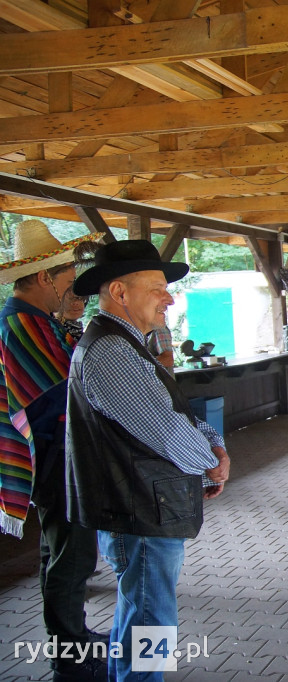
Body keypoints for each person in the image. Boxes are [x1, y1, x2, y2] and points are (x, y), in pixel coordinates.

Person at [64, 239, 230, 682]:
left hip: (141, 507)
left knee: (138, 612)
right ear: (120, 292)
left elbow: (172, 413)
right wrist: (211, 460)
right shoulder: (112, 352)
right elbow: (166, 428)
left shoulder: (124, 344)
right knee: (150, 621)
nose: (169, 297)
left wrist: (212, 443)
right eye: (158, 287)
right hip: (138, 509)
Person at [0, 220, 105, 682]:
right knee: (73, 554)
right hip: (55, 456)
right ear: (45, 277)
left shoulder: (36, 321)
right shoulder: (22, 323)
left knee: (59, 551)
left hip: (54, 454)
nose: (71, 284)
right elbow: (64, 390)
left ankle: (73, 637)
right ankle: (70, 655)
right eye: (66, 274)